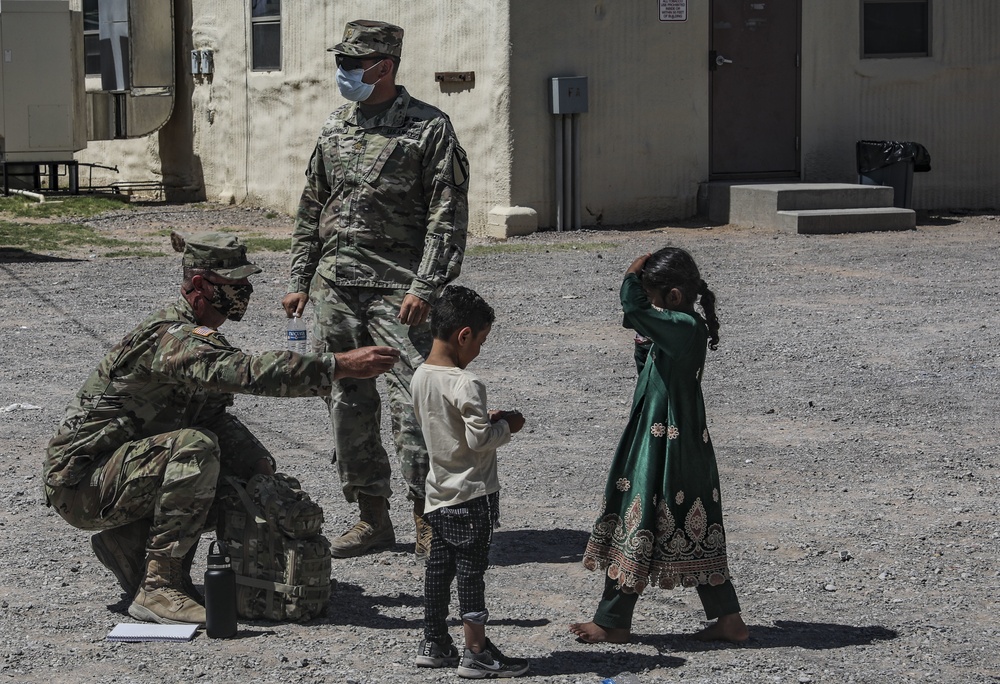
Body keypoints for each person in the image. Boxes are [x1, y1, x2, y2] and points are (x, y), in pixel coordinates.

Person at [42, 231, 399, 625]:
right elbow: (245, 371)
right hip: (81, 483)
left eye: (247, 283)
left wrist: (256, 467)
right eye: (234, 284)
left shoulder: (200, 337)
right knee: (195, 450)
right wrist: (338, 365)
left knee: (249, 470)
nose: (245, 291)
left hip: (122, 471)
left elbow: (213, 416)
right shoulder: (172, 337)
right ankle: (159, 587)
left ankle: (129, 543)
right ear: (199, 285)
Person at [282, 19, 469, 561]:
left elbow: (447, 216)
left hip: (398, 291)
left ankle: (426, 517)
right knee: (346, 401)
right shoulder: (337, 126)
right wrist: (299, 279)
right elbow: (311, 206)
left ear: (383, 66)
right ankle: (371, 518)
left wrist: (428, 284)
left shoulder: (429, 128)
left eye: (351, 63)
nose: (342, 72)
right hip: (337, 290)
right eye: (340, 62)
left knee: (414, 405)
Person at [569, 247, 749, 644]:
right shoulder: (679, 329)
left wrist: (631, 275)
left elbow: (634, 308)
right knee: (688, 528)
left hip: (664, 448)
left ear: (673, 296)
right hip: (673, 444)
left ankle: (613, 622)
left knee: (639, 522)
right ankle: (729, 621)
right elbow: (645, 365)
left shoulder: (685, 326)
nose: (649, 306)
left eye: (654, 298)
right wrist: (642, 342)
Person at [410, 286, 529, 678]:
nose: (478, 349)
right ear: (464, 335)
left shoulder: (420, 375)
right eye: (480, 341)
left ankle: (434, 641)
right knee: (472, 575)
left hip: (437, 494)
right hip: (471, 496)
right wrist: (507, 426)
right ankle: (476, 651)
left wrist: (482, 418)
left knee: (438, 570)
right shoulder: (466, 382)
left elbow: (445, 424)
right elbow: (479, 441)